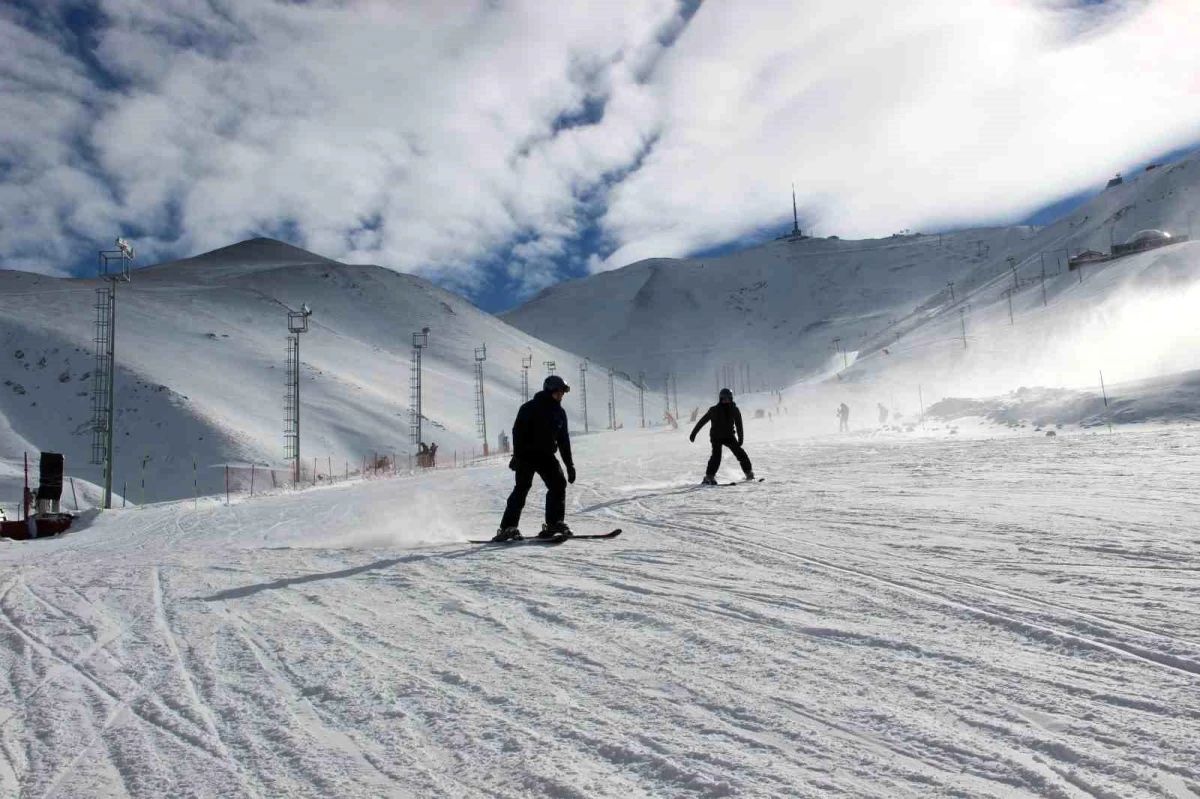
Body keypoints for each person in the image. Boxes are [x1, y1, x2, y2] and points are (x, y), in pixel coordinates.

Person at [493, 375, 577, 541]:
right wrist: (517, 455)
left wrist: (569, 465)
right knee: (522, 488)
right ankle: (507, 527)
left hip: (546, 456)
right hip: (526, 455)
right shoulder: (530, 408)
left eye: (562, 393)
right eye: (559, 393)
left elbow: (563, 441)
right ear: (550, 391)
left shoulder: (560, 413)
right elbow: (517, 432)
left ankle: (554, 523)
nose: (561, 396)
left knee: (558, 484)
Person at [689, 388, 753, 485]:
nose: (726, 401)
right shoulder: (714, 410)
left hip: (729, 436)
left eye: (728, 399)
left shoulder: (734, 410)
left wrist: (740, 439)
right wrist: (693, 433)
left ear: (731, 399)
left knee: (741, 454)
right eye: (724, 399)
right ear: (720, 399)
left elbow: (739, 425)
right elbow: (702, 421)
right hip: (716, 437)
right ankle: (709, 476)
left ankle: (748, 473)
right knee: (716, 456)